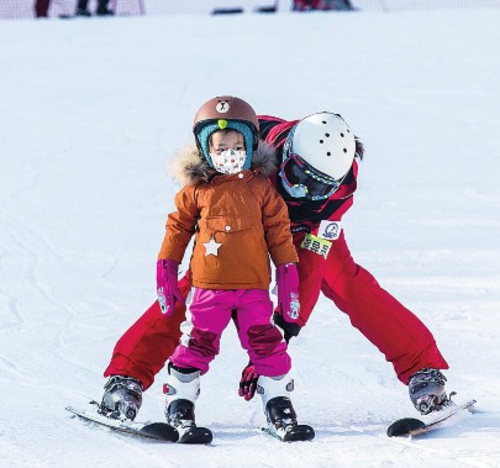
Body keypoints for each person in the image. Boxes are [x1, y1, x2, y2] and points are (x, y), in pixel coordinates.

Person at [100, 108, 450, 424]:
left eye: (318, 186)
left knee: (347, 281)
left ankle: (424, 369)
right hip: (242, 219)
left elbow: (309, 270)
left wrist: (277, 336)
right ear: (285, 156)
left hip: (301, 231)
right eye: (299, 176)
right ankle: (127, 375)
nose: (304, 191)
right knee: (200, 285)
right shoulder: (252, 145)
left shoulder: (336, 195)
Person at [152, 96, 313, 441]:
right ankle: (180, 403)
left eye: (237, 144)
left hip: (253, 290)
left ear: (251, 144)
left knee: (267, 345)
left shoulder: (261, 191)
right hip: (209, 289)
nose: (229, 152)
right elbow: (176, 232)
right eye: (220, 145)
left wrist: (288, 283)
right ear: (204, 148)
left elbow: (281, 237)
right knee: (198, 343)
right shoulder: (196, 192)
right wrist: (166, 275)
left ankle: (278, 404)